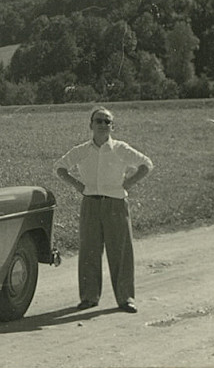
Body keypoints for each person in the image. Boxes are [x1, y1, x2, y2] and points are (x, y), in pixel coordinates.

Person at [54, 107, 153, 313]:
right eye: (98, 121)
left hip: (116, 204)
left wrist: (127, 184)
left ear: (112, 127)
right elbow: (60, 167)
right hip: (90, 204)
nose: (102, 125)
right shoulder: (82, 150)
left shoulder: (120, 148)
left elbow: (146, 164)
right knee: (89, 251)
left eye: (107, 122)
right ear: (91, 125)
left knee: (121, 252)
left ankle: (126, 299)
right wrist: (78, 186)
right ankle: (89, 297)